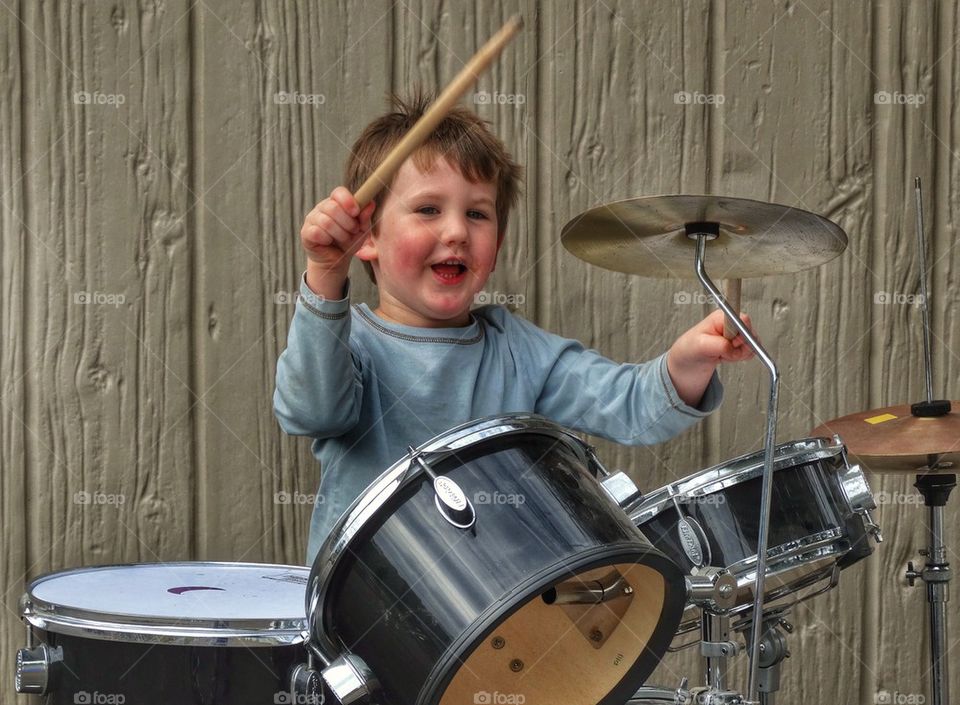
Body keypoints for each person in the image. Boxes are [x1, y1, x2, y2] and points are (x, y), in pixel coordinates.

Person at [274, 94, 754, 564]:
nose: (458, 231)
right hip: (368, 618)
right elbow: (310, 411)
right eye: (428, 210)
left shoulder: (518, 351)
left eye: (477, 214)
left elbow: (627, 406)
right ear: (367, 236)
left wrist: (685, 364)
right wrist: (325, 273)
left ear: (497, 244)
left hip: (499, 617)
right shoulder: (348, 343)